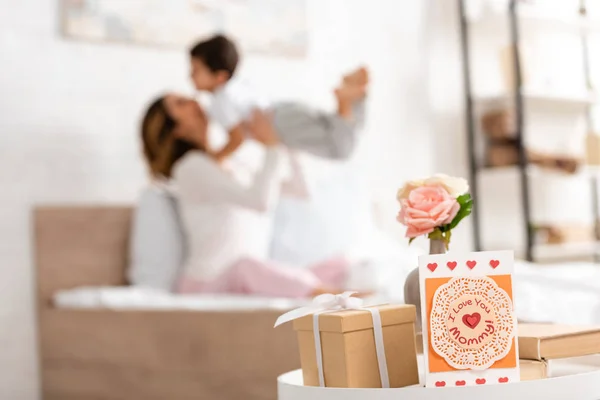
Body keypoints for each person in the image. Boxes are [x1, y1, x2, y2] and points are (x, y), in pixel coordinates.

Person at [140, 93, 350, 297]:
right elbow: (260, 202)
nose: (195, 101)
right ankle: (332, 297)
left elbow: (299, 190)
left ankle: (336, 295)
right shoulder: (190, 168)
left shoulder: (233, 164)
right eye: (182, 103)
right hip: (207, 285)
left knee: (339, 265)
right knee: (246, 267)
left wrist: (285, 140)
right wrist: (271, 147)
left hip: (250, 279)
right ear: (174, 128)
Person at [189, 34, 368, 163]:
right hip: (284, 111)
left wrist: (214, 158)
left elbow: (237, 138)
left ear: (219, 77)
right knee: (332, 127)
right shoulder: (236, 85)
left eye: (196, 70)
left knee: (340, 149)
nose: (190, 75)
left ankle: (344, 103)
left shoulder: (221, 100)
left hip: (279, 125)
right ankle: (356, 99)